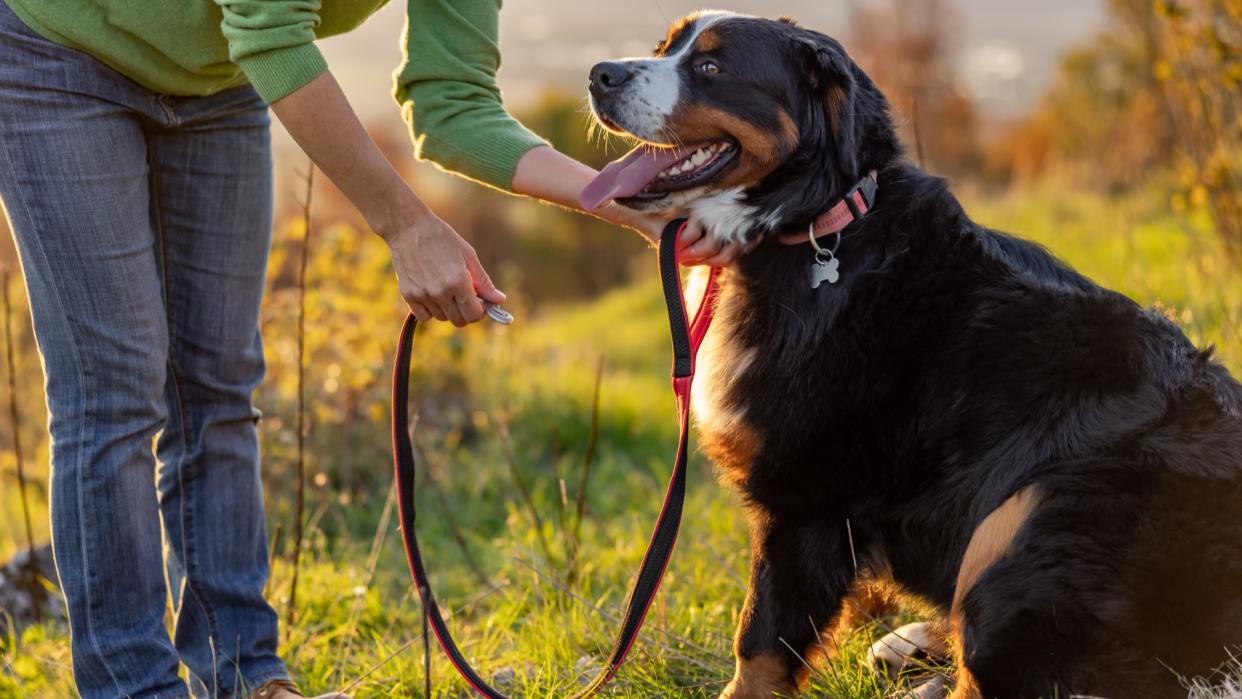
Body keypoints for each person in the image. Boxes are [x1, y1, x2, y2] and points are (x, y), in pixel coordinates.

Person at [0, 1, 742, 697]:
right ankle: (134, 684)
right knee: (117, 393)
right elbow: (268, 28)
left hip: (217, 78)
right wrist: (407, 224)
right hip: (62, 51)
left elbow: (453, 107)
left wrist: (639, 212)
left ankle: (246, 673)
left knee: (219, 386)